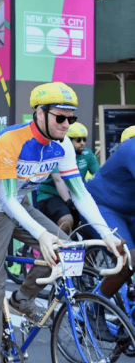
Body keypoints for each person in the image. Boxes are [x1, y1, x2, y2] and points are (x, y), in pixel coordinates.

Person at [0, 82, 122, 363]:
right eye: (60, 117)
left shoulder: (62, 146)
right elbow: (7, 198)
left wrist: (106, 234)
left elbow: (80, 194)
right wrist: (42, 234)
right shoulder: (10, 140)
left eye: (71, 118)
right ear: (39, 113)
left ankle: (21, 300)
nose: (66, 125)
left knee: (67, 248)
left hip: (18, 206)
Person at [84, 127, 135, 296]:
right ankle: (93, 308)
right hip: (103, 207)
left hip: (129, 210)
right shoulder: (131, 148)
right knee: (129, 259)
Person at [35, 122, 100, 234]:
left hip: (73, 196)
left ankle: (88, 250)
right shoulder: (56, 154)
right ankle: (54, 248)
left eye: (84, 139)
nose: (82, 143)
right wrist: (69, 202)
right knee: (66, 221)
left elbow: (99, 176)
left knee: (91, 222)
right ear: (68, 141)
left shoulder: (87, 154)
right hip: (50, 196)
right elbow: (58, 180)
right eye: (78, 140)